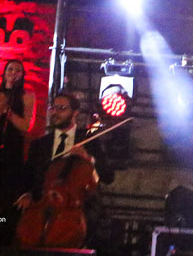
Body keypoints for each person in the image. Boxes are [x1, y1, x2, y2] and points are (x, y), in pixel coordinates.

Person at [14, 91, 114, 248]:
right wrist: (25, 194)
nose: (55, 112)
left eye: (62, 108)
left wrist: (88, 159)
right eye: (53, 108)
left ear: (75, 113)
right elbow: (27, 176)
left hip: (77, 209)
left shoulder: (89, 141)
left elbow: (108, 177)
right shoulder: (39, 144)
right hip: (42, 206)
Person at [0, 59, 36, 246]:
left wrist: (8, 111)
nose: (13, 73)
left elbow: (26, 126)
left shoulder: (27, 96)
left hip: (12, 151)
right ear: (4, 72)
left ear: (22, 75)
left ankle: (5, 231)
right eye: (10, 69)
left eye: (18, 70)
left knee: (7, 197)